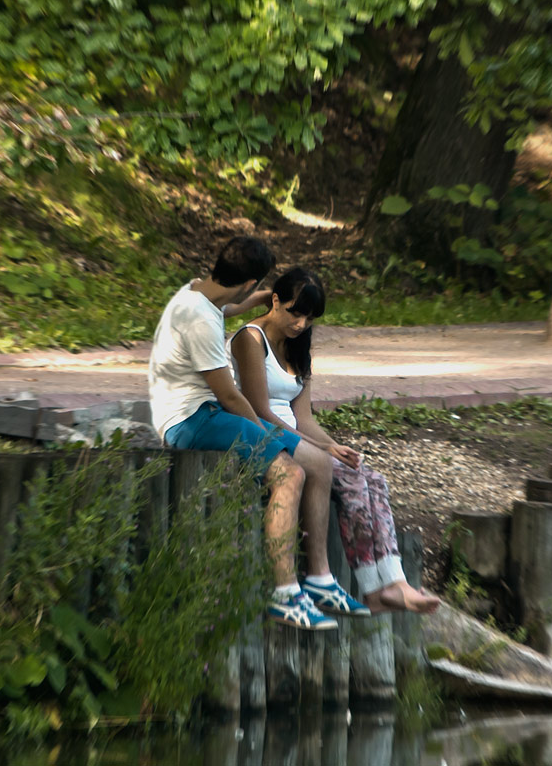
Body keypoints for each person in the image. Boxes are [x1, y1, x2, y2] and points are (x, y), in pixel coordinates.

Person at [149, 237, 368, 631]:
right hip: (191, 419)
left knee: (318, 463)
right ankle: (285, 595)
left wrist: (252, 300)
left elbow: (224, 304)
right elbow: (230, 396)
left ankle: (318, 580)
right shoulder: (203, 321)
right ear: (251, 281)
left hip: (202, 412)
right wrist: (266, 433)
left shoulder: (196, 293)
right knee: (290, 473)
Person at [228, 267, 441, 614]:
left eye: (309, 318)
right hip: (262, 433)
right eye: (295, 312)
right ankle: (372, 589)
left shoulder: (298, 346)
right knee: (351, 480)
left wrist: (333, 446)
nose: (300, 324)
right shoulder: (250, 340)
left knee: (370, 477)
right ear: (276, 301)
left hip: (295, 434)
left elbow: (305, 416)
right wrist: (321, 450)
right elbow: (260, 411)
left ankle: (394, 582)